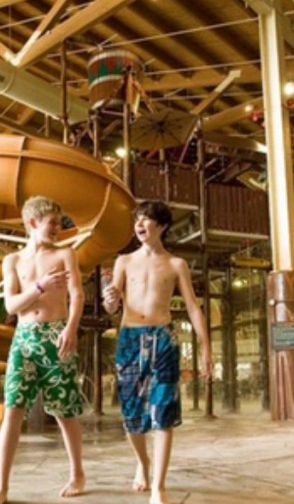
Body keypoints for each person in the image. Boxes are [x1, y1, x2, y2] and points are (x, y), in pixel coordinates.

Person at [102, 200, 211, 504]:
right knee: (131, 415)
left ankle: (158, 487)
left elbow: (192, 306)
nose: (140, 224)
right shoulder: (123, 261)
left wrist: (205, 347)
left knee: (163, 413)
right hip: (129, 338)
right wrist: (109, 299)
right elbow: (112, 305)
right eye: (137, 219)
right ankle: (142, 462)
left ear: (161, 227)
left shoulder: (176, 264)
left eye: (147, 219)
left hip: (163, 338)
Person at [0, 196, 85, 504]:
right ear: (32, 223)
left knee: (64, 411)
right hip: (24, 337)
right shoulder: (12, 261)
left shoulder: (66, 254)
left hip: (56, 335)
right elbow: (11, 305)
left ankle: (77, 473)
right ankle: (1, 488)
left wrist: (70, 328)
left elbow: (78, 294)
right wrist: (39, 286)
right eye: (51, 222)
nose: (57, 228)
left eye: (59, 222)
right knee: (12, 408)